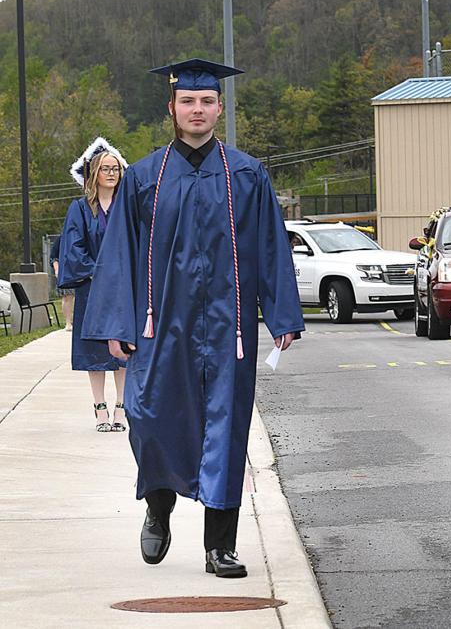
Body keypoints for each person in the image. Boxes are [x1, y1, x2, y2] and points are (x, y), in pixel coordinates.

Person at [82, 58, 304, 579]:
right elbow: (119, 254)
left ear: (219, 108)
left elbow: (271, 247)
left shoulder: (247, 175)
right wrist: (116, 325)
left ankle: (219, 547)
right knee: (150, 418)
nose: (197, 109)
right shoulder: (144, 177)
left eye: (206, 101)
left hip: (229, 328)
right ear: (172, 108)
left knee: (226, 427)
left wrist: (281, 314)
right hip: (161, 324)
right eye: (188, 101)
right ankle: (158, 505)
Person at [58, 138, 129, 432]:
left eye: (115, 169)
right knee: (95, 351)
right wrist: (99, 272)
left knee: (123, 347)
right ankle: (100, 407)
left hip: (124, 287)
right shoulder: (80, 209)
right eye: (105, 169)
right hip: (93, 288)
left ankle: (121, 406)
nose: (111, 173)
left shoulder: (128, 207)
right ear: (94, 173)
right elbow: (73, 248)